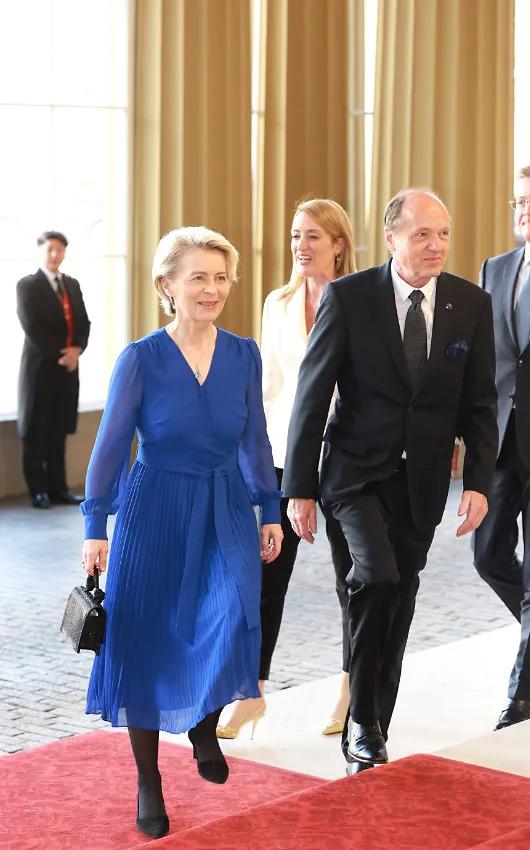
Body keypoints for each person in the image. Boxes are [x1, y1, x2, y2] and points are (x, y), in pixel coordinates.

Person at [283, 188, 498, 774]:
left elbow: (480, 403)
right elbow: (312, 391)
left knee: (400, 593)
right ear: (391, 238)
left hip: (423, 482)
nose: (436, 245)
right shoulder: (350, 298)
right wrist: (299, 487)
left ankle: (376, 720)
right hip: (352, 473)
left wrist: (478, 481)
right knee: (375, 578)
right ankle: (363, 719)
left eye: (444, 234)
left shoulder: (469, 304)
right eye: (422, 234)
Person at [81, 226, 283, 839]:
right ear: (167, 286)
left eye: (221, 278)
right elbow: (111, 446)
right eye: (198, 277)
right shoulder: (141, 359)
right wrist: (96, 524)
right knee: (143, 637)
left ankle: (203, 720)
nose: (213, 289)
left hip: (225, 504)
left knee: (231, 616)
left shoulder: (244, 354)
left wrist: (268, 507)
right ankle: (149, 778)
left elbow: (254, 441)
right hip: (155, 506)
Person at [217, 199, 356, 741]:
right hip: (281, 455)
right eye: (296, 235)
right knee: (265, 574)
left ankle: (351, 687)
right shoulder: (277, 303)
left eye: (314, 236)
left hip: (345, 454)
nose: (301, 245)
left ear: (339, 244)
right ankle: (250, 692)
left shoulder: (363, 298)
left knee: (353, 579)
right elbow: (267, 386)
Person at [474, 163, 530, 730]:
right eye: (518, 202)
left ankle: (524, 689)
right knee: (487, 555)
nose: (525, 211)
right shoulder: (496, 268)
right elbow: (490, 360)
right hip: (501, 441)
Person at [16, 231, 90, 508]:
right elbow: (32, 326)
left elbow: (84, 322)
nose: (55, 255)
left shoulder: (71, 284)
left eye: (60, 250)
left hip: (68, 370)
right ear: (41, 251)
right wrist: (62, 354)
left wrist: (77, 350)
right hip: (40, 369)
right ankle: (38, 491)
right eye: (50, 250)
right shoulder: (28, 285)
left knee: (59, 429)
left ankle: (59, 488)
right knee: (37, 430)